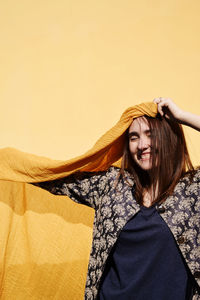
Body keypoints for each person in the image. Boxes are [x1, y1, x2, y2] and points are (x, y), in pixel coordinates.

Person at [37, 98, 200, 300]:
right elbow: (49, 176)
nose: (142, 145)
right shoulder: (111, 184)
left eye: (150, 134)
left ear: (167, 137)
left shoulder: (192, 190)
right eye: (133, 137)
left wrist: (182, 117)